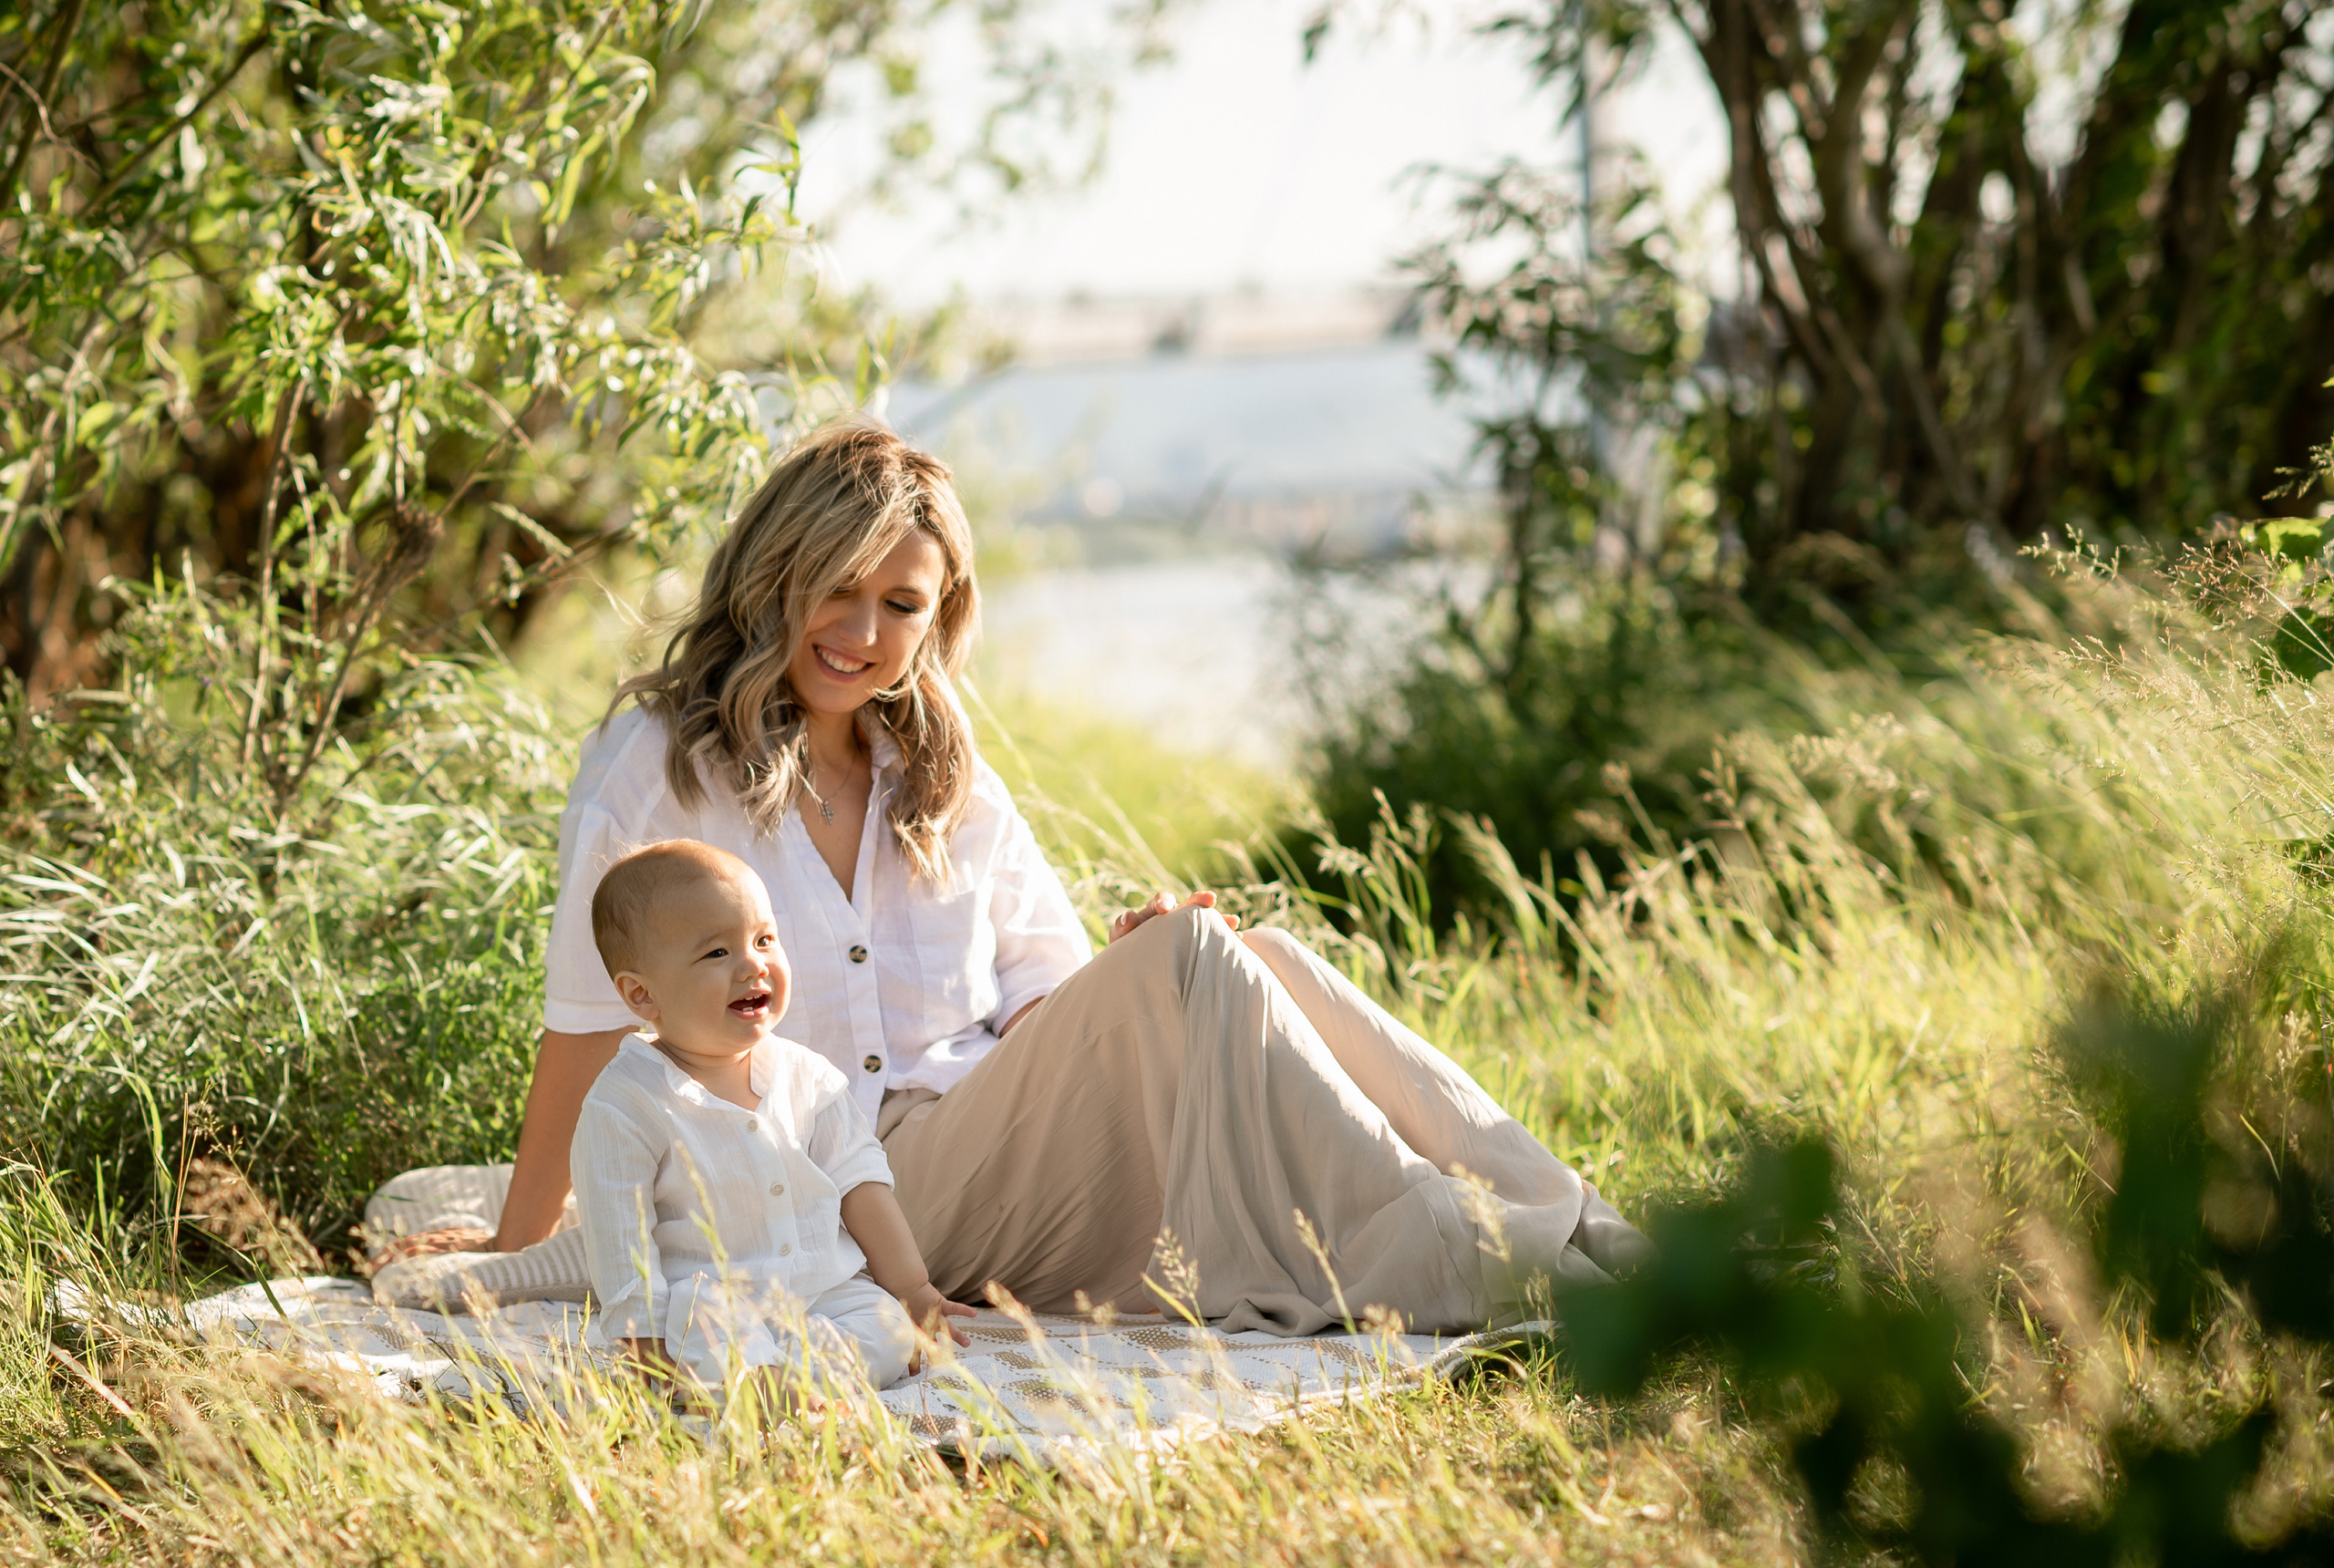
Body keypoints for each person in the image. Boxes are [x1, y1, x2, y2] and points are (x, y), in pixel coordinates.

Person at [368, 415, 1647, 1336]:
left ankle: (1566, 1216)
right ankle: (1482, 1259)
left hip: (1000, 1152)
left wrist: (1137, 974)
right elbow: (586, 1030)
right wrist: (522, 1249)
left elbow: (1046, 995)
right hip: (847, 1190)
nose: (864, 633)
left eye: (904, 605)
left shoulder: (940, 767)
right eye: (837, 589)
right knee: (1199, 962)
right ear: (773, 574)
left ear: (941, 615)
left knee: (1243, 951)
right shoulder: (657, 766)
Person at [564, 839, 972, 1401]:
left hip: (822, 1291)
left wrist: (913, 1288)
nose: (753, 964)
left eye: (763, 939)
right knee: (699, 1325)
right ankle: (760, 1380)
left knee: (887, 1330)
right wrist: (643, 1344)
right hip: (712, 1297)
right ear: (642, 994)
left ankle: (779, 1384)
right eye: (716, 953)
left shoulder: (809, 1076)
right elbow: (620, 1235)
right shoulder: (626, 1103)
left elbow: (861, 1184)